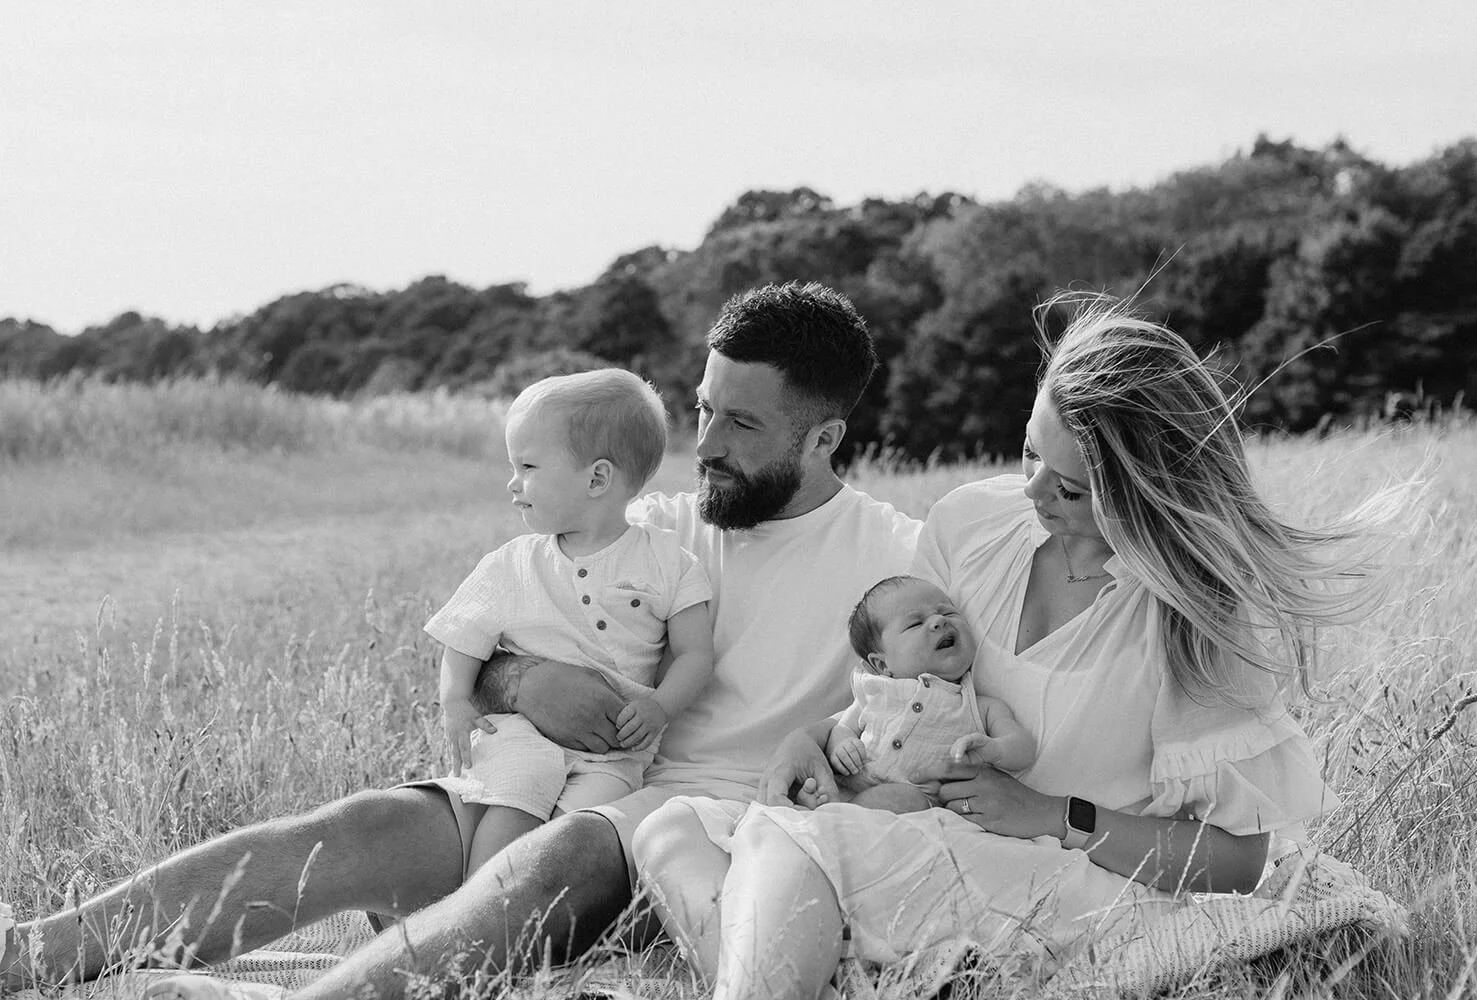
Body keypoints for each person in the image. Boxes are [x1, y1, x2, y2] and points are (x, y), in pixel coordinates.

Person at [0, 281, 921, 1000]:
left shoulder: (893, 557)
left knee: (561, 853)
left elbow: (928, 731)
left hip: (709, 840)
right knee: (363, 825)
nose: (707, 440)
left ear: (824, 436)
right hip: (562, 785)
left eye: (743, 423)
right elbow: (484, 651)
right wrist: (523, 686)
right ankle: (30, 954)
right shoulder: (649, 526)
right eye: (704, 406)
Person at [636, 290, 1406, 1000]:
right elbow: (904, 686)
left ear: (1146, 490)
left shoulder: (1192, 622)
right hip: (927, 834)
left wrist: (1049, 813)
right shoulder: (973, 522)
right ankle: (852, 978)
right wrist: (810, 739)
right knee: (671, 830)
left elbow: (1241, 862)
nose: (1032, 493)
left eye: (1070, 488)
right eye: (1030, 453)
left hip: (1068, 874)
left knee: (788, 844)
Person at [426, 368, 714, 873]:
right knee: (514, 798)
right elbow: (464, 638)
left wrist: (661, 708)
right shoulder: (513, 563)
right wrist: (454, 701)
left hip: (616, 749)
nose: (513, 483)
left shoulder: (669, 563)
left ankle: (530, 919)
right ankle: (476, 905)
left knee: (575, 835)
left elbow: (695, 654)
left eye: (528, 466)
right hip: (522, 731)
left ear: (597, 478)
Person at [819, 575, 1036, 812]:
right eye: (915, 623)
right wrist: (842, 746)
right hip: (856, 783)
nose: (938, 620)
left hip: (920, 806)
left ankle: (838, 817)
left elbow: (1024, 749)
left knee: (904, 799)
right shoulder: (876, 692)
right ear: (882, 665)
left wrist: (995, 750)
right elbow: (842, 728)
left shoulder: (980, 707)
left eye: (949, 612)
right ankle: (828, 810)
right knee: (822, 785)